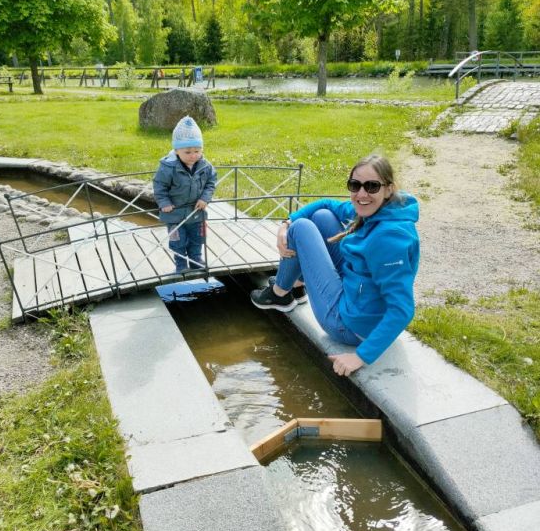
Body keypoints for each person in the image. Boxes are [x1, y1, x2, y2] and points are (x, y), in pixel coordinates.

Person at [251, 154, 419, 376]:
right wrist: (285, 223)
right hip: (356, 292)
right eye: (355, 185)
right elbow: (326, 204)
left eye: (371, 186)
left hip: (349, 326)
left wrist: (361, 356)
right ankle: (296, 286)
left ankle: (281, 292)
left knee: (301, 228)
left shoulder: (389, 239)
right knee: (321, 216)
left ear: (388, 189)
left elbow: (403, 309)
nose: (361, 194)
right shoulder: (379, 210)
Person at [153, 116, 217, 274]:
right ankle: (181, 263)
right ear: (176, 150)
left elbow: (211, 182)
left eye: (197, 151)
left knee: (198, 237)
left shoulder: (205, 166)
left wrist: (205, 198)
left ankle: (196, 259)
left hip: (197, 212)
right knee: (178, 240)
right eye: (187, 152)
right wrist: (164, 202)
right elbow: (159, 185)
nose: (193, 155)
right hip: (174, 214)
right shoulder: (168, 167)